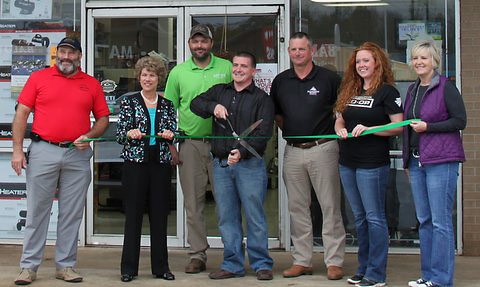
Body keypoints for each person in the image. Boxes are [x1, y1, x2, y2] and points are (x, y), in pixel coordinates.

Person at [11, 37, 110, 285]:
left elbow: (103, 119)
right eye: (62, 52)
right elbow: (22, 113)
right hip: (44, 150)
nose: (66, 57)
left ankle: (65, 266)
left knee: (71, 213)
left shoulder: (91, 84)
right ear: (57, 55)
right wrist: (17, 150)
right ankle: (28, 267)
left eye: (71, 53)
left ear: (79, 56)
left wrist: (90, 135)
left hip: (77, 154)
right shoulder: (38, 78)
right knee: (37, 212)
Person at [190, 51, 274, 281]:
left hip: (250, 166)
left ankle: (261, 264)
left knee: (254, 216)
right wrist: (213, 107)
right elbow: (195, 104)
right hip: (222, 166)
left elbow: (264, 132)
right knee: (226, 216)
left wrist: (242, 151)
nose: (238, 69)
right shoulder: (220, 91)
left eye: (243, 66)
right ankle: (232, 263)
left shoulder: (262, 99)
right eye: (235, 65)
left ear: (253, 71)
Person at [270, 31, 346, 280]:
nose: (297, 53)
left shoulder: (328, 79)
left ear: (311, 50)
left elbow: (341, 110)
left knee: (329, 206)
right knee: (297, 208)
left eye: (302, 49)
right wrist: (295, 132)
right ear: (288, 51)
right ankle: (302, 260)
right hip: (292, 151)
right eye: (293, 49)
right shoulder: (281, 81)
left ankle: (334, 261)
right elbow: (278, 116)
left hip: (323, 148)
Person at [164, 23, 232, 273]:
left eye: (204, 41)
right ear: (189, 44)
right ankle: (197, 254)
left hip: (222, 145)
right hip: (190, 144)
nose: (200, 45)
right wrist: (172, 147)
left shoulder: (226, 68)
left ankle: (232, 253)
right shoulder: (179, 72)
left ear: (211, 43)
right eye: (195, 41)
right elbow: (168, 112)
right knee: (193, 204)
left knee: (227, 203)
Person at [334, 42, 403, 287]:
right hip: (347, 162)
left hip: (372, 163)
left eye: (366, 61)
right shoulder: (350, 90)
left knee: (375, 218)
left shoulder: (387, 92)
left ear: (377, 64)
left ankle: (376, 273)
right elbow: (340, 120)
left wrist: (372, 129)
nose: (362, 65)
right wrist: (341, 130)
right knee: (360, 218)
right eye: (358, 61)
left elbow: (398, 126)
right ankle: (363, 268)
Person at [402, 40, 466, 287]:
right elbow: (408, 128)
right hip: (418, 162)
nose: (419, 62)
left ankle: (441, 280)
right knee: (425, 220)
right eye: (416, 58)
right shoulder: (412, 89)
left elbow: (460, 121)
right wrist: (407, 161)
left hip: (441, 161)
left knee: (440, 222)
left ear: (434, 61)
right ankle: (427, 276)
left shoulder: (446, 87)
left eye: (424, 58)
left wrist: (429, 127)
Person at [116, 56, 176, 282]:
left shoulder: (167, 104)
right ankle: (128, 269)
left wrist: (171, 135)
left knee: (159, 215)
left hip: (159, 164)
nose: (148, 79)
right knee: (133, 216)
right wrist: (130, 133)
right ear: (138, 77)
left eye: (152, 75)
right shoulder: (129, 102)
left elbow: (173, 131)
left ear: (159, 78)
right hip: (135, 165)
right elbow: (121, 134)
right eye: (144, 75)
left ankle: (161, 268)